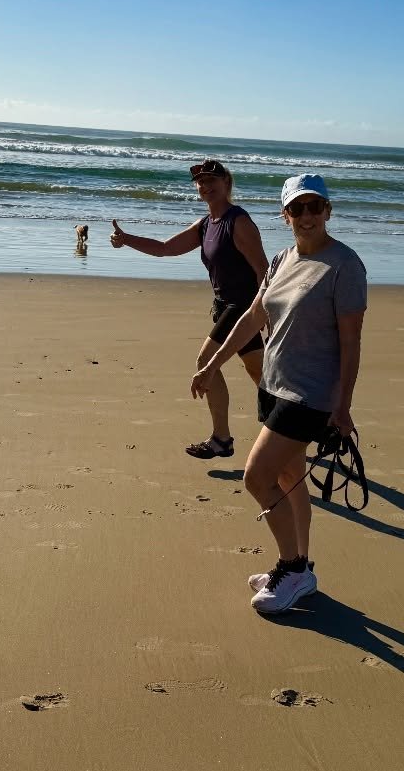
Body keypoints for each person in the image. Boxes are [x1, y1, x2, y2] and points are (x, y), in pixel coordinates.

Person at [190, 173, 366, 614]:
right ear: (285, 214)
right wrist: (212, 365)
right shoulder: (282, 260)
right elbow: (251, 319)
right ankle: (302, 568)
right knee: (288, 479)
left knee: (256, 477)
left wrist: (342, 406)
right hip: (272, 386)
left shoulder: (345, 265)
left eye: (315, 207)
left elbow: (351, 343)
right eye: (298, 208)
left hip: (308, 396)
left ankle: (291, 567)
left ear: (328, 211)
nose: (307, 216)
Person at [111, 160, 269, 459]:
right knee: (259, 371)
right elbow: (164, 248)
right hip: (224, 305)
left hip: (244, 306)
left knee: (206, 359)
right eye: (199, 182)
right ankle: (291, 427)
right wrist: (127, 239)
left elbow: (263, 270)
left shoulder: (239, 222)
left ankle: (221, 439)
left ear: (226, 183)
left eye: (211, 180)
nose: (204, 186)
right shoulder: (206, 224)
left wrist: (264, 314)